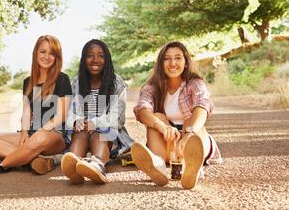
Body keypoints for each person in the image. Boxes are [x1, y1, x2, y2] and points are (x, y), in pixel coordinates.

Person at [132, 41, 222, 189]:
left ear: (186, 62)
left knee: (190, 121)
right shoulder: (152, 86)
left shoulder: (195, 83)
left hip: (193, 142)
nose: (172, 63)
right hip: (168, 144)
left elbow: (203, 105)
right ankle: (158, 166)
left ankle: (191, 168)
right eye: (167, 58)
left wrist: (188, 134)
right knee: (157, 117)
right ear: (161, 63)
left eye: (178, 58)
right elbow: (142, 110)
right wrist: (161, 126)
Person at [0, 35, 72, 174]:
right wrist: (24, 133)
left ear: (57, 57)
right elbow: (26, 113)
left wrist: (41, 130)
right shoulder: (28, 82)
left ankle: (2, 165)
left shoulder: (62, 79)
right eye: (43, 52)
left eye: (52, 53)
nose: (47, 56)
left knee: (40, 137)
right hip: (32, 134)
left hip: (55, 135)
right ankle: (35, 161)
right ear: (36, 53)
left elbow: (61, 116)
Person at [61, 39, 134, 184]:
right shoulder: (76, 83)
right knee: (80, 134)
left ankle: (97, 165)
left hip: (108, 133)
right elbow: (69, 113)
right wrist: (76, 121)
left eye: (101, 56)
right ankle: (75, 167)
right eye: (90, 55)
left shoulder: (116, 83)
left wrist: (94, 123)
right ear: (84, 59)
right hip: (82, 132)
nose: (95, 60)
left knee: (99, 133)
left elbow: (117, 119)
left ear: (107, 59)